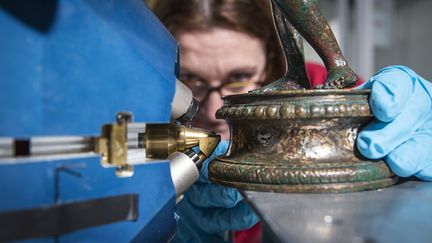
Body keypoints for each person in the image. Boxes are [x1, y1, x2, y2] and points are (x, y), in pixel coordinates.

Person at [150, 0, 432, 242]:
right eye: (190, 80)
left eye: (239, 77)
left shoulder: (319, 92)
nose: (213, 110)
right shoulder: (138, 117)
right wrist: (163, 216)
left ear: (273, 58)